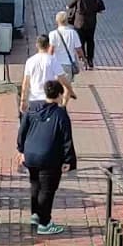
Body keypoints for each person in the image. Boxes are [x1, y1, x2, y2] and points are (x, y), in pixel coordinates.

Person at [17, 79, 76, 236]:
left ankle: (35, 215)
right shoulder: (60, 113)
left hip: (31, 155)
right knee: (47, 189)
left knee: (35, 184)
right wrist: (68, 160)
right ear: (58, 95)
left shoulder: (33, 109)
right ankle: (45, 222)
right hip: (49, 157)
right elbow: (66, 138)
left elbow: (22, 130)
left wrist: (21, 150)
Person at [20, 34, 69, 113]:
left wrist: (23, 100)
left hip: (34, 99)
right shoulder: (52, 60)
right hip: (49, 98)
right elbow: (62, 79)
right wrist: (68, 90)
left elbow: (25, 83)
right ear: (49, 45)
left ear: (37, 45)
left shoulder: (30, 61)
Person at [67, 0, 106, 68]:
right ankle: (90, 60)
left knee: (81, 41)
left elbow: (69, 5)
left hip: (79, 23)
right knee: (90, 41)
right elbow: (102, 8)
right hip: (91, 23)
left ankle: (83, 59)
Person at [48, 10, 85, 103]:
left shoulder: (53, 34)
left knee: (55, 86)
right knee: (67, 87)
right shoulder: (73, 33)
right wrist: (82, 58)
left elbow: (51, 50)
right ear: (67, 21)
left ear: (57, 21)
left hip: (56, 64)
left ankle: (56, 104)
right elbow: (78, 49)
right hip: (68, 65)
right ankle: (63, 105)